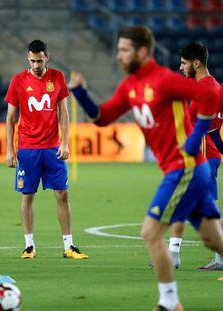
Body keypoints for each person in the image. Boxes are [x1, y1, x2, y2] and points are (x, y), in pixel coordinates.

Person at [70, 26, 223, 311]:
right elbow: (103, 118)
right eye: (118, 50)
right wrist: (81, 94)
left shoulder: (165, 80)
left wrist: (194, 138)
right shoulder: (130, 86)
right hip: (187, 170)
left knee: (150, 232)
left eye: (124, 50)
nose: (119, 56)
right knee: (212, 238)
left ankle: (169, 302)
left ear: (142, 51)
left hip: (185, 168)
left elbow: (210, 97)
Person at [5, 39, 88, 260]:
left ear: (47, 58)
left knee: (62, 194)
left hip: (52, 147)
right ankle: (29, 246)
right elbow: (10, 117)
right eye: (32, 61)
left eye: (39, 60)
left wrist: (65, 142)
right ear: (28, 59)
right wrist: (9, 149)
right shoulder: (18, 81)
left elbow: (64, 113)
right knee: (27, 195)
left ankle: (69, 246)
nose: (36, 65)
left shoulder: (58, 77)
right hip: (28, 148)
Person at [166, 42, 223, 271]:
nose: (181, 67)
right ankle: (174, 254)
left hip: (204, 155)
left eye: (183, 63)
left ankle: (216, 258)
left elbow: (209, 128)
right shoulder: (214, 86)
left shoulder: (205, 89)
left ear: (196, 63)